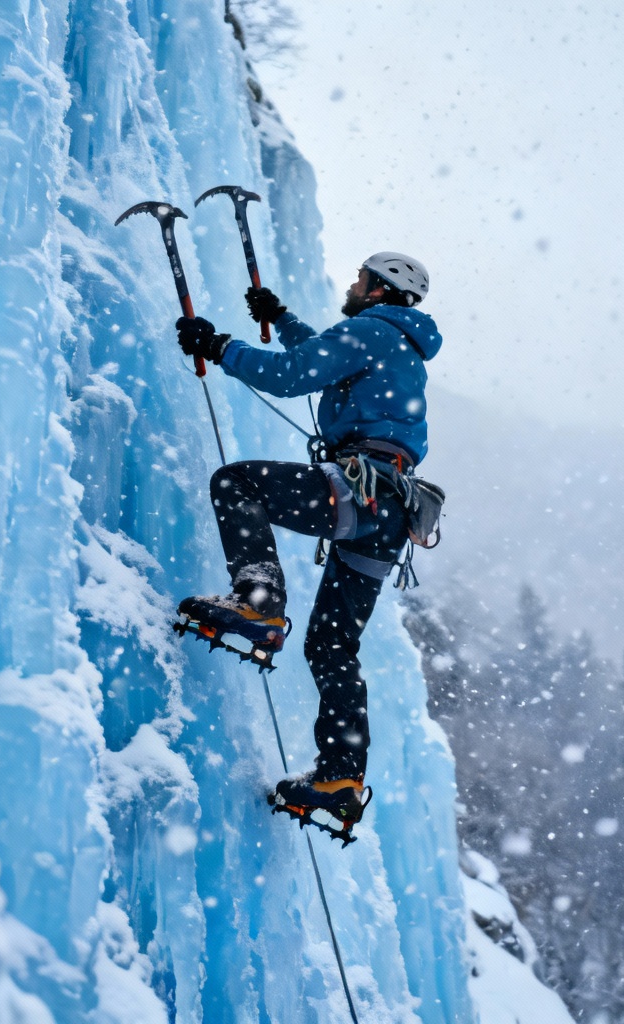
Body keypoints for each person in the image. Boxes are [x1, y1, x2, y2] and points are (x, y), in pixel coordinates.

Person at [174, 252, 442, 837]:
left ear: (377, 290)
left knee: (237, 482)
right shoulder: (397, 343)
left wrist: (217, 345)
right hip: (393, 512)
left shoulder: (370, 330)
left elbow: (294, 375)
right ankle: (341, 777)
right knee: (332, 644)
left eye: (360, 278)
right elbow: (327, 355)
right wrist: (282, 317)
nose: (352, 283)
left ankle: (259, 600)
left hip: (359, 487)